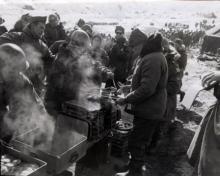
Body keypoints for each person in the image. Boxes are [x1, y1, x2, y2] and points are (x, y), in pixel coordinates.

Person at [116, 33, 168, 176]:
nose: (132, 50)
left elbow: (147, 89)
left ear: (143, 44)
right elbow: (145, 82)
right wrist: (128, 87)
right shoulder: (152, 56)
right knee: (137, 139)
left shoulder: (153, 59)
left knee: (137, 142)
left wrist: (126, 99)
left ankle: (134, 172)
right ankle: (132, 166)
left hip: (150, 109)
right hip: (148, 107)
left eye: (134, 47)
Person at [0, 16, 54, 96]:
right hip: (13, 80)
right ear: (32, 26)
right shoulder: (16, 37)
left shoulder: (42, 45)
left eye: (44, 28)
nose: (42, 31)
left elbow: (50, 59)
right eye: (40, 27)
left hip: (33, 83)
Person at [0, 43, 43, 142]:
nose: (17, 75)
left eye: (19, 71)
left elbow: (35, 103)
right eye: (13, 70)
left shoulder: (20, 79)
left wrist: (42, 121)